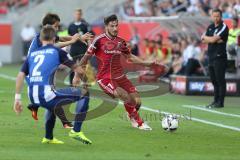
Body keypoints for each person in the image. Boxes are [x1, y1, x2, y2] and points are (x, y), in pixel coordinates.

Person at [14, 25, 92, 144]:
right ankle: (76, 131)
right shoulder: (57, 51)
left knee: (53, 106)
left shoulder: (32, 54)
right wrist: (86, 81)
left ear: (41, 40)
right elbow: (79, 70)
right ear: (55, 38)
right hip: (45, 94)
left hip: (32, 96)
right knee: (85, 93)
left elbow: (20, 75)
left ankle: (48, 138)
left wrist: (17, 98)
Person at [80, 14, 153, 130]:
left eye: (116, 25)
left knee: (137, 102)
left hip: (120, 77)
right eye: (112, 26)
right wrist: (76, 75)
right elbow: (85, 58)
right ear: (106, 27)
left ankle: (132, 116)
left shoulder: (121, 42)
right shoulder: (99, 40)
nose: (115, 28)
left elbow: (130, 57)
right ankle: (140, 123)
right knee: (124, 95)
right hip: (105, 78)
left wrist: (146, 63)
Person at [26, 13, 93, 129]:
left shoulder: (45, 35)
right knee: (53, 96)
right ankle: (63, 123)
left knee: (51, 96)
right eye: (56, 26)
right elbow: (54, 46)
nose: (57, 29)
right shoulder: (41, 38)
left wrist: (78, 38)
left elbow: (60, 38)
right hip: (35, 73)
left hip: (37, 72)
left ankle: (35, 106)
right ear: (48, 25)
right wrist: (72, 42)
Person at [201, 8, 229, 108]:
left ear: (221, 16)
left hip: (220, 57)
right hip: (211, 57)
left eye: (218, 16)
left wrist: (210, 39)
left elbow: (210, 40)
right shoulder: (210, 27)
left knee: (220, 80)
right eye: (214, 16)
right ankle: (215, 100)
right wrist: (212, 39)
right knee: (214, 81)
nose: (216, 18)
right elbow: (203, 39)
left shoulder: (224, 27)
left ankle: (220, 102)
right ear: (212, 16)